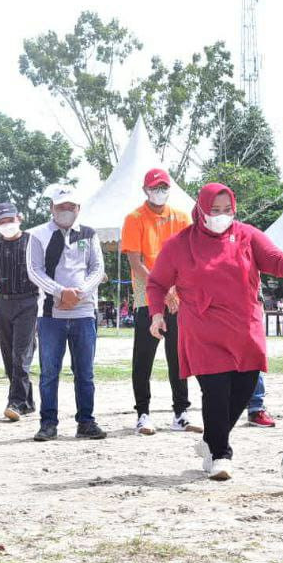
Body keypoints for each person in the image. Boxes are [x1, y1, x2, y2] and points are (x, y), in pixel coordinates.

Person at [146, 183, 283, 480]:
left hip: (244, 329)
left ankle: (209, 440)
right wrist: (156, 314)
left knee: (244, 387)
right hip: (203, 330)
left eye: (227, 210)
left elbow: (275, 259)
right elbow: (157, 283)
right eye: (215, 210)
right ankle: (220, 455)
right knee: (216, 391)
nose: (221, 215)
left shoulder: (247, 235)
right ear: (200, 210)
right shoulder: (180, 244)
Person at [120, 168, 199, 436]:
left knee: (178, 355)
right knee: (144, 356)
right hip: (147, 287)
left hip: (178, 289)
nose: (159, 191)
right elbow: (135, 261)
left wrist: (174, 287)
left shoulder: (181, 216)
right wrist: (162, 288)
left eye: (164, 186)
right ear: (145, 190)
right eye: (155, 187)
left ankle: (181, 412)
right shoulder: (134, 218)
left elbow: (189, 257)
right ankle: (143, 413)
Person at [26, 185, 107, 441]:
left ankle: (86, 421)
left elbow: (97, 268)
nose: (66, 211)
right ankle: (48, 423)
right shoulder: (38, 235)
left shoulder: (89, 233)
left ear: (78, 209)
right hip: (51, 314)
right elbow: (34, 270)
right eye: (61, 206)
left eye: (71, 206)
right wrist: (61, 292)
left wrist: (78, 292)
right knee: (49, 372)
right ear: (51, 207)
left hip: (84, 313)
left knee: (85, 372)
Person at [0, 202, 39, 421]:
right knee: (8, 357)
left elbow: (45, 270)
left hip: (28, 302)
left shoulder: (32, 242)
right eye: (2, 222)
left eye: (10, 220)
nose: (7, 225)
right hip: (2, 304)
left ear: (19, 219)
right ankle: (28, 401)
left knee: (21, 354)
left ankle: (16, 402)